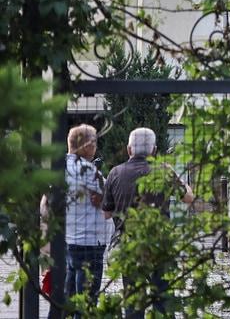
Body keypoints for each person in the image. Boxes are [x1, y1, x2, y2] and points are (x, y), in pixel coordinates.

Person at [101, 128, 194, 319]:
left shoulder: (115, 173)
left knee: (134, 300)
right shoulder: (164, 172)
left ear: (129, 149)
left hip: (129, 244)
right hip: (160, 244)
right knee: (163, 297)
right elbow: (188, 198)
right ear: (155, 150)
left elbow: (106, 213)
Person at [61, 123, 111, 309]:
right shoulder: (87, 170)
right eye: (95, 143)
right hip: (89, 243)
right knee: (87, 302)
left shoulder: (60, 167)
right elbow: (108, 198)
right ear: (88, 145)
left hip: (68, 239)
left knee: (69, 296)